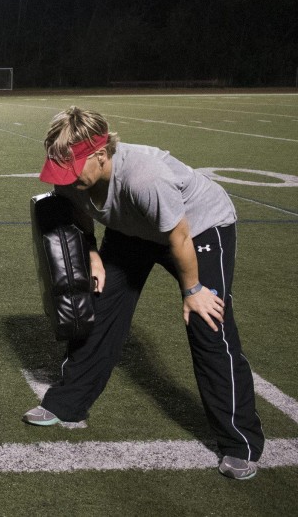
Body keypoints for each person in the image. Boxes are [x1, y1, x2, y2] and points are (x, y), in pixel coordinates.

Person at [23, 107, 264, 480]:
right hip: (131, 229)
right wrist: (92, 255)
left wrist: (193, 290)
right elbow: (79, 212)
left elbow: (178, 236)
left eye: (72, 170)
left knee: (207, 321)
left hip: (197, 228)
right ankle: (68, 403)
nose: (66, 178)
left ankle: (239, 444)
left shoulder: (145, 178)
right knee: (97, 304)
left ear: (101, 154)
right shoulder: (73, 176)